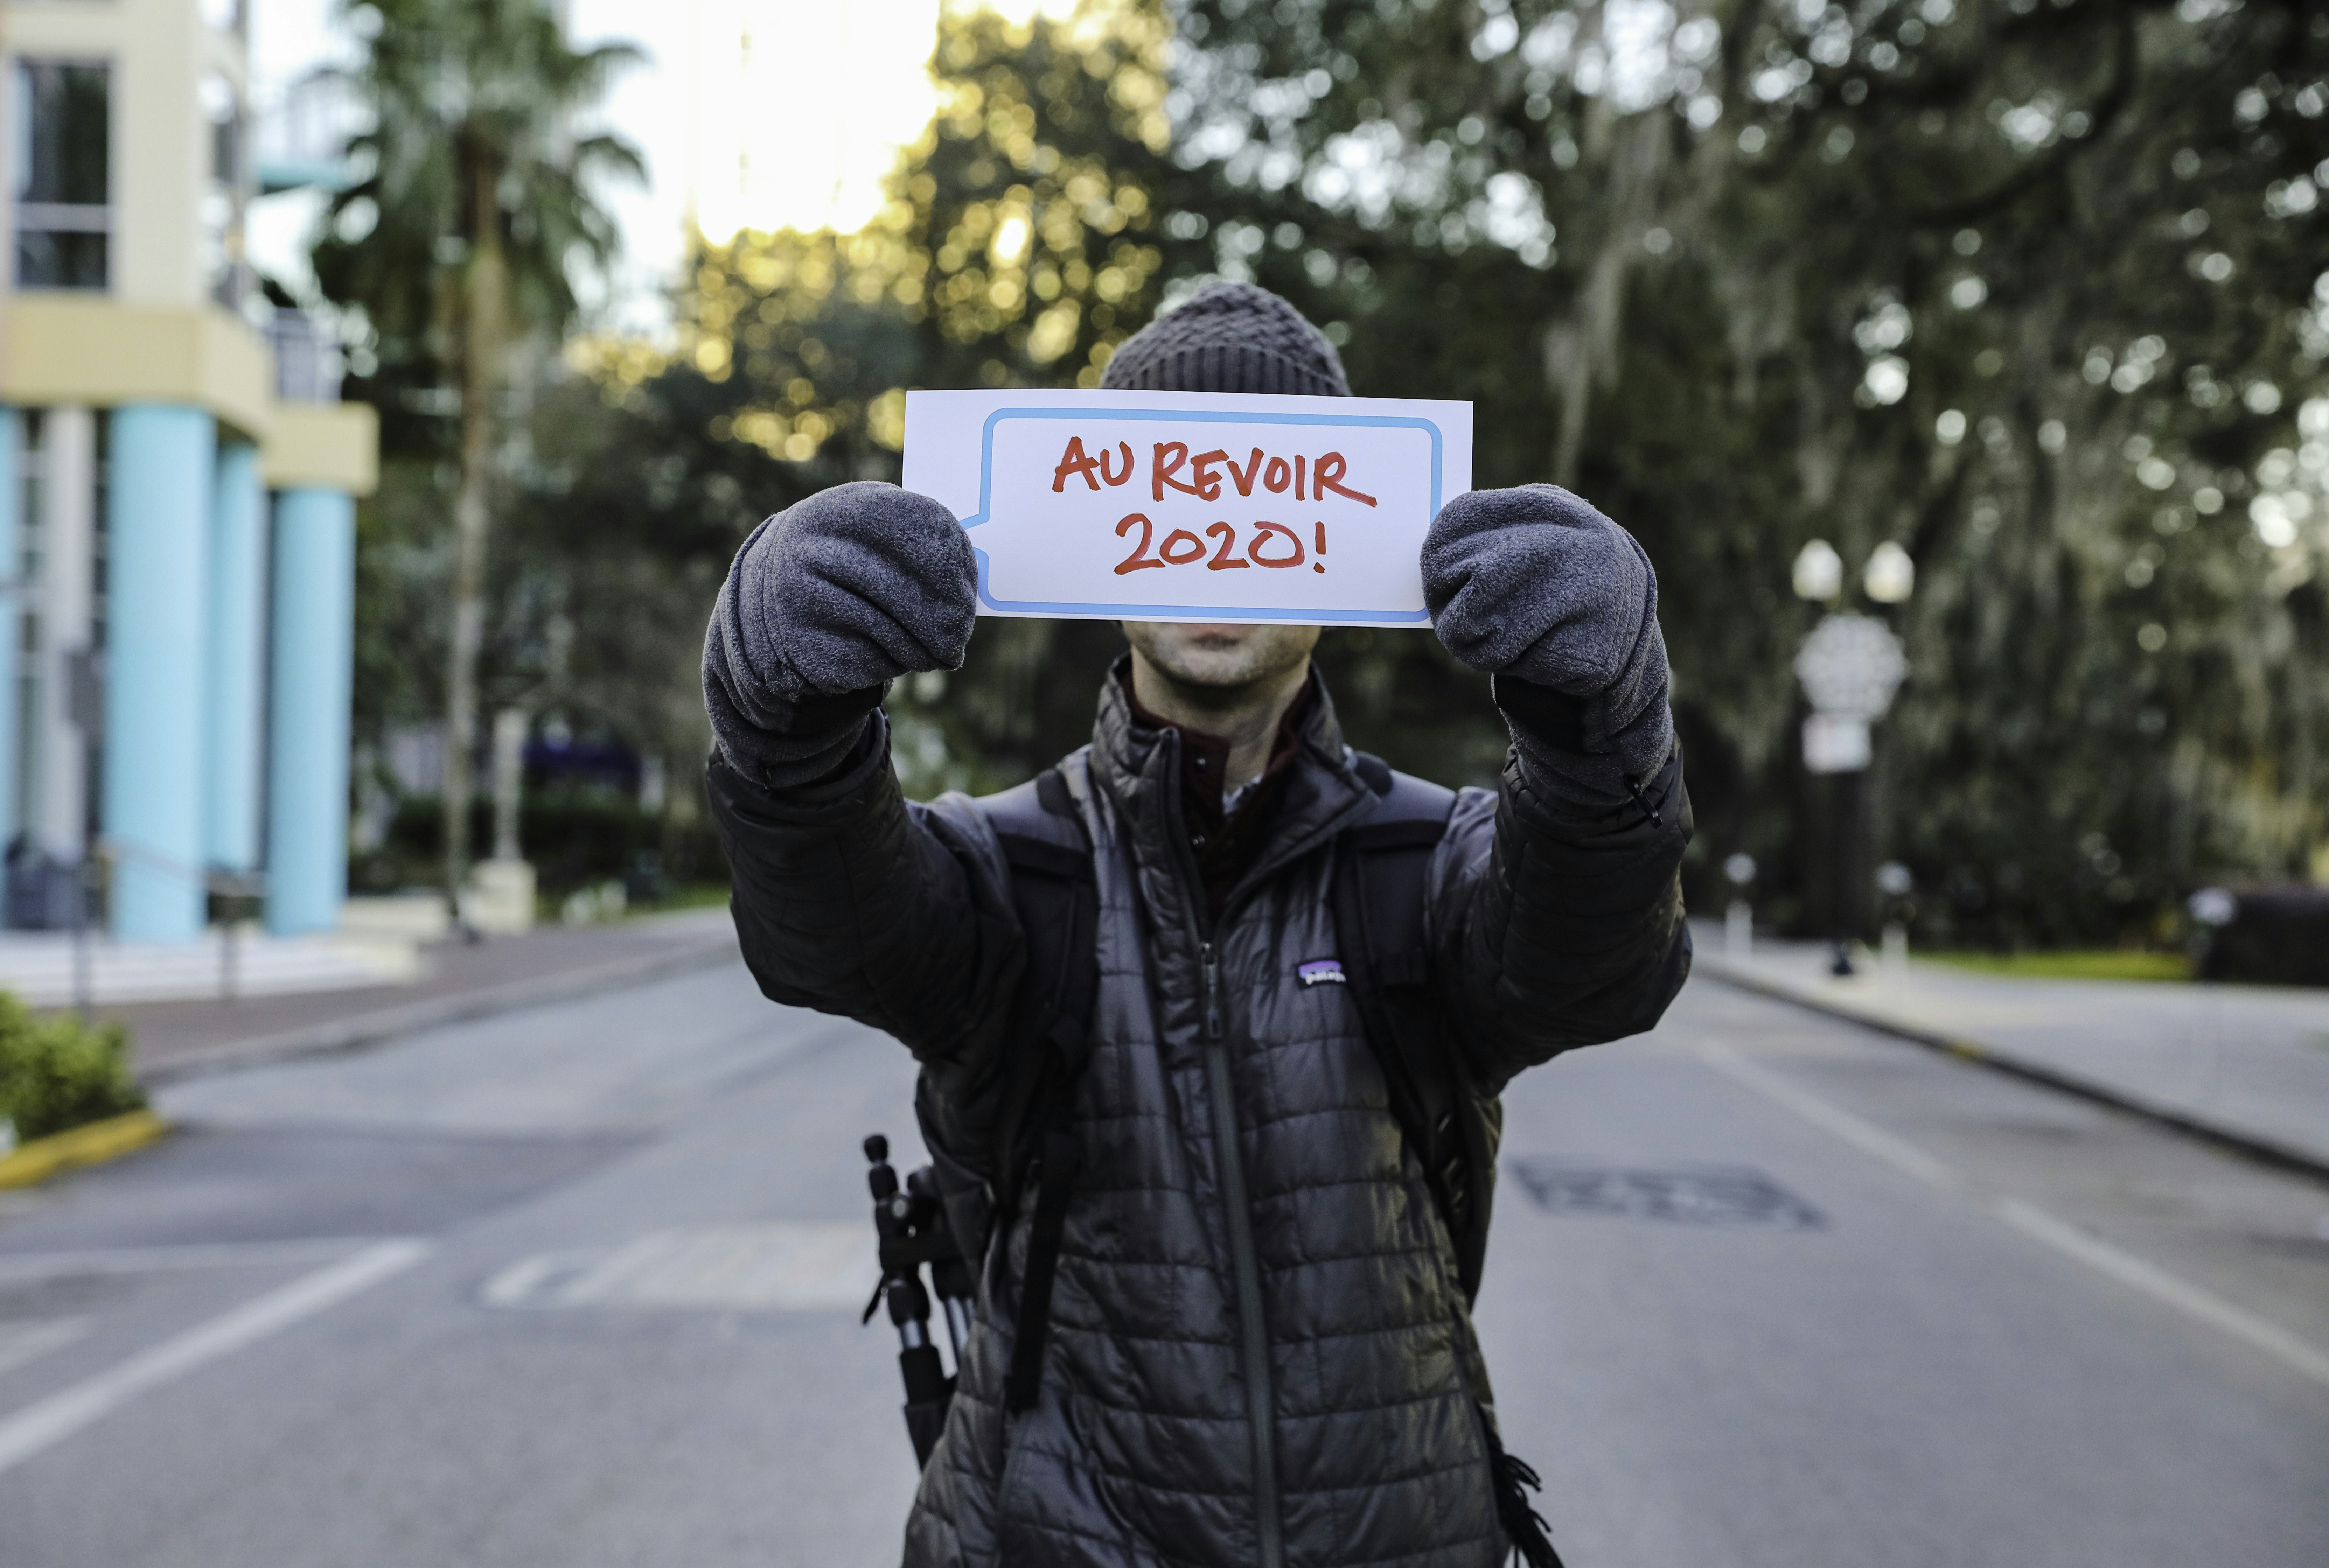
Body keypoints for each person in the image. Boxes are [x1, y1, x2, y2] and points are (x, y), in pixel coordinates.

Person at [704, 283, 1691, 1568]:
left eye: (1268, 490)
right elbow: (823, 930)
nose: (1218, 537)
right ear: (1101, 531)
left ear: (1349, 542)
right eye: (1172, 484)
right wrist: (776, 717)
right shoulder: (1011, 866)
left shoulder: (1428, 859)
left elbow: (1598, 967)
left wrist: (1604, 728)